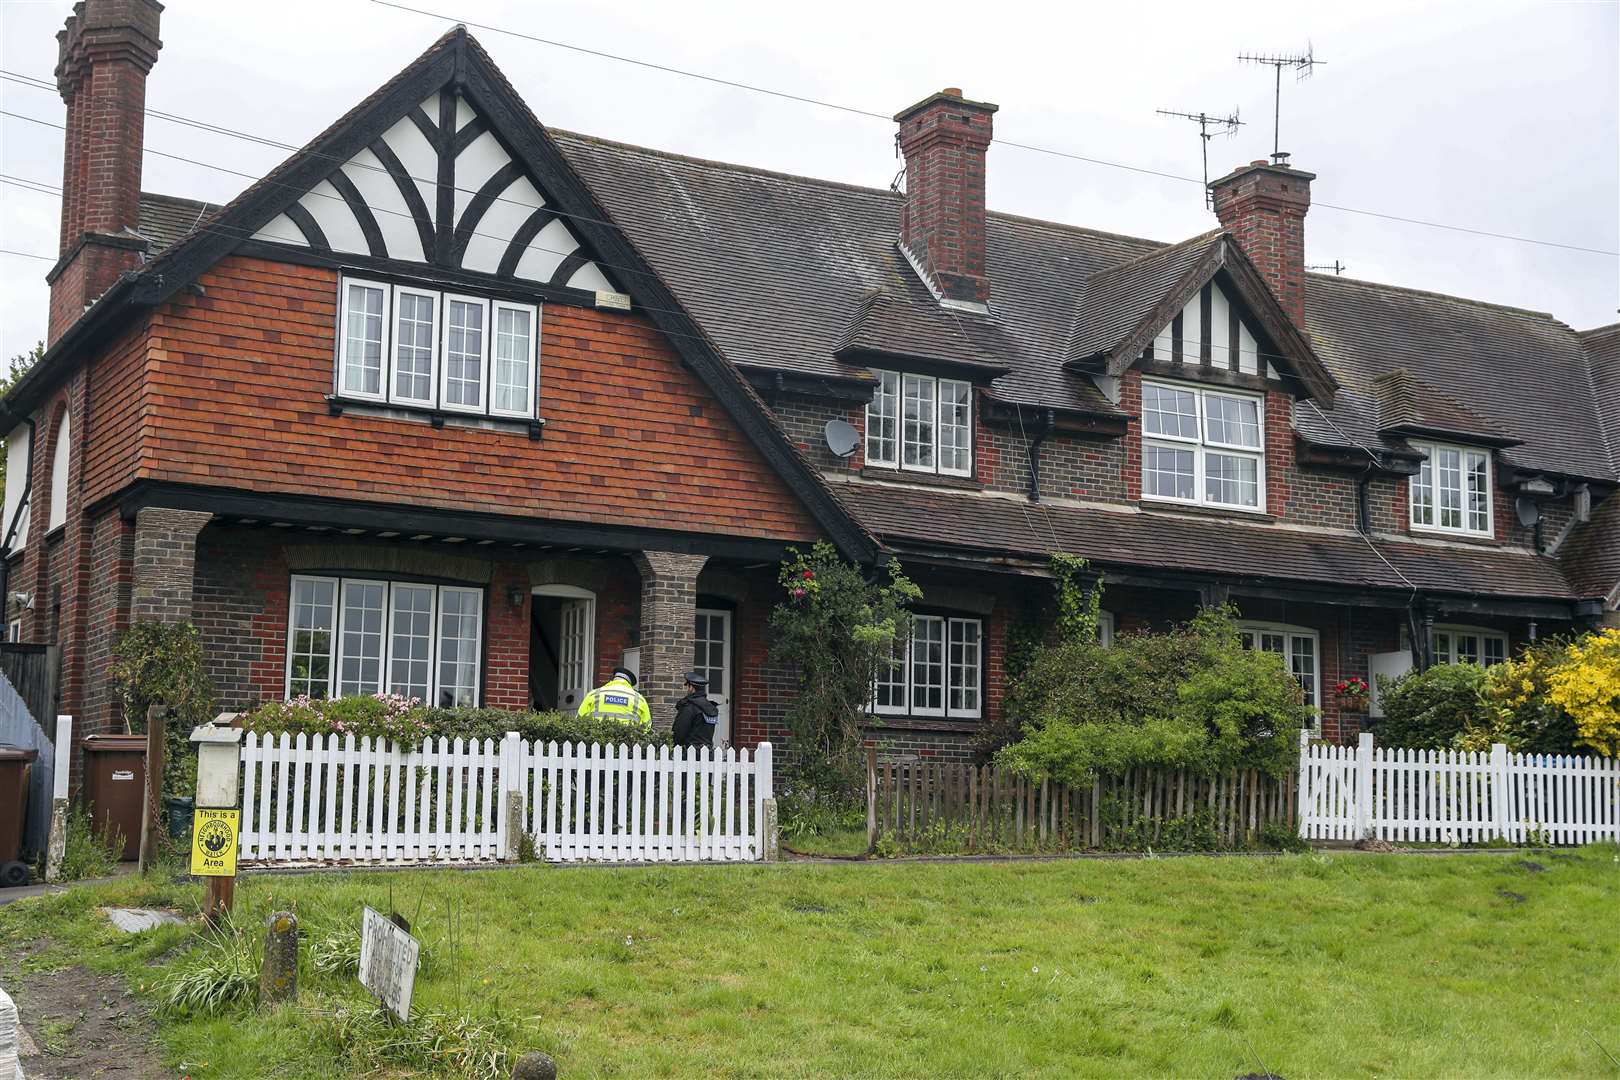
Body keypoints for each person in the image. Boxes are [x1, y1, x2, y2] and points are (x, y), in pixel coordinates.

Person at [577, 666, 651, 730]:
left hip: (597, 741)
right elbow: (646, 727)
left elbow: (579, 720)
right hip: (627, 742)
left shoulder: (594, 694)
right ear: (629, 683)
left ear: (613, 679)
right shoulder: (639, 699)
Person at [672, 671, 719, 750]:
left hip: (689, 753)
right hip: (706, 752)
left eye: (687, 686)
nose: (687, 690)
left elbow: (679, 733)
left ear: (692, 688)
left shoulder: (690, 707)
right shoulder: (710, 707)